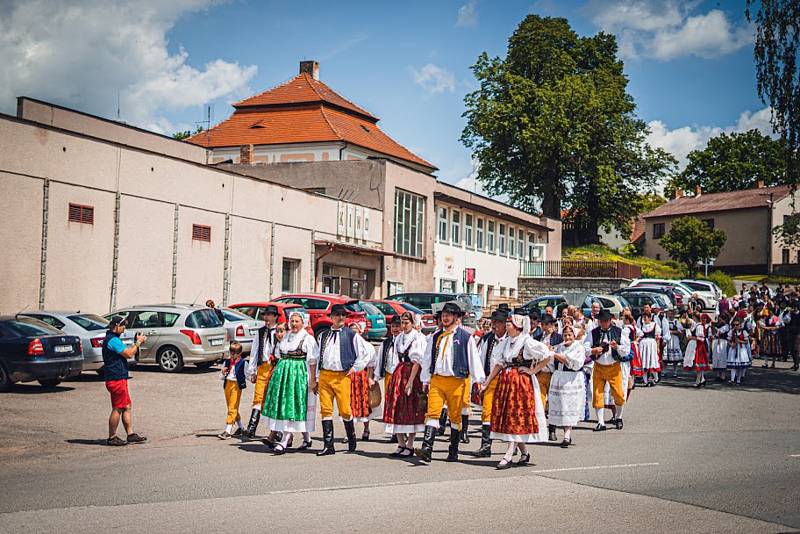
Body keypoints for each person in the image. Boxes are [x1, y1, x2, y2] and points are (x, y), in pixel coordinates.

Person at [416, 302, 485, 463]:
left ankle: (453, 450)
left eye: (448, 315)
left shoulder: (465, 337)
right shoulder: (435, 336)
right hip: (438, 380)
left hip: (457, 381)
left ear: (456, 317)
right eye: (443, 315)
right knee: (432, 413)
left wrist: (478, 380)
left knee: (455, 417)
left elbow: (473, 358)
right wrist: (425, 379)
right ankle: (427, 448)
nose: (445, 317)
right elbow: (427, 358)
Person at [484, 310, 551, 469]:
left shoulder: (526, 342)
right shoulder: (507, 342)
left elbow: (547, 355)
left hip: (521, 383)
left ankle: (508, 455)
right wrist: (487, 382)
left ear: (518, 326)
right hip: (507, 382)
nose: (506, 326)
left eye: (509, 323)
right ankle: (524, 453)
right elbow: (499, 364)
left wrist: (533, 371)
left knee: (516, 416)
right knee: (509, 418)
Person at [315, 304, 373, 456]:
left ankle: (351, 438)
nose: (340, 318)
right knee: (325, 409)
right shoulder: (323, 335)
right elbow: (316, 356)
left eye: (343, 315)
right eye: (337, 315)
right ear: (331, 317)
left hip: (342, 376)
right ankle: (329, 445)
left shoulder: (351, 335)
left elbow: (366, 353)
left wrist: (355, 368)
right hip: (325, 375)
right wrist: (315, 377)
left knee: (345, 410)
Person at [263, 312, 317, 454]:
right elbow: (278, 354)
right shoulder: (286, 337)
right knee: (284, 404)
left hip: (297, 375)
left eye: (297, 321)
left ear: (303, 323)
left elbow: (312, 361)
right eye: (292, 321)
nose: (294, 324)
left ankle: (284, 441)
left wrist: (312, 380)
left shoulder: (308, 339)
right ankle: (306, 438)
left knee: (292, 405)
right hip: (283, 374)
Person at [383, 312, 426, 457]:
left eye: (406, 323)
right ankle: (400, 444)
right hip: (399, 372)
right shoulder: (399, 338)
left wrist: (410, 382)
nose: (403, 325)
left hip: (411, 373)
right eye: (402, 322)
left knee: (410, 408)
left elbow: (417, 362)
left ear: (413, 323)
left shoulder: (417, 338)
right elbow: (396, 357)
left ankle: (410, 445)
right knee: (396, 406)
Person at [102, 316, 147, 446]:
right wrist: (138, 343)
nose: (124, 328)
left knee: (126, 406)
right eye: (123, 325)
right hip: (115, 378)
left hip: (120, 377)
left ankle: (130, 434)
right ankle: (112, 437)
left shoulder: (114, 339)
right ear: (116, 326)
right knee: (118, 408)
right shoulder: (113, 340)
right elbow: (128, 354)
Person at [584, 309, 631, 431]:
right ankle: (601, 422)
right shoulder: (593, 332)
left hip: (614, 366)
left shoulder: (619, 332)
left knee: (619, 394)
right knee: (598, 394)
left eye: (605, 321)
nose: (603, 323)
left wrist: (617, 347)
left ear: (610, 320)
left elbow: (626, 350)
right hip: (599, 366)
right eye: (601, 321)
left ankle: (619, 417)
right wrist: (593, 351)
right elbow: (584, 348)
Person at [475, 308, 508, 457]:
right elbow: (481, 359)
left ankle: (512, 446)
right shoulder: (488, 338)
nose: (494, 325)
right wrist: (482, 381)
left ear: (505, 324)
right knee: (486, 411)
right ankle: (486, 446)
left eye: (498, 322)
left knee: (507, 413)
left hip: (507, 381)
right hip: (490, 380)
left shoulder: (510, 339)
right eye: (493, 322)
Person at [244, 306, 280, 440]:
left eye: (269, 315)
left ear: (275, 317)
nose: (266, 318)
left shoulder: (280, 331)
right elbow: (254, 351)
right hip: (263, 367)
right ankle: (251, 428)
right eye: (265, 315)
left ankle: (276, 432)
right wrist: (252, 370)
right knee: (258, 397)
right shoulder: (260, 332)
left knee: (273, 399)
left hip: (275, 367)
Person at [548, 325, 586, 447]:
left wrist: (555, 354)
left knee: (568, 407)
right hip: (560, 378)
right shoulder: (559, 346)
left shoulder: (578, 347)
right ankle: (565, 434)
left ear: (574, 336)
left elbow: (573, 363)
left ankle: (567, 435)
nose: (567, 337)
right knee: (562, 408)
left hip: (571, 379)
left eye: (570, 335)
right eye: (565, 335)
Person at [346, 322, 377, 441]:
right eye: (351, 330)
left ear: (360, 331)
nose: (353, 333)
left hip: (361, 376)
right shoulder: (346, 345)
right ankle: (350, 432)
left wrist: (369, 378)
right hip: (349, 376)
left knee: (364, 404)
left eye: (355, 330)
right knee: (348, 404)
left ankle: (366, 429)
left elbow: (370, 365)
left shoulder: (367, 345)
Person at [375, 316, 402, 441]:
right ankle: (394, 432)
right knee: (390, 404)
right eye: (393, 326)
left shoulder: (405, 341)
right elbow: (380, 359)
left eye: (398, 326)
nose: (395, 329)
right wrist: (376, 377)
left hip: (402, 376)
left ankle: (403, 430)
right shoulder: (386, 343)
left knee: (401, 403)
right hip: (389, 375)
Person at [538, 316, 562, 441]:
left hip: (553, 372)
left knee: (553, 402)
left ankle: (552, 429)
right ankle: (541, 429)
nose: (545, 327)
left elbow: (562, 354)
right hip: (541, 372)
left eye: (547, 324)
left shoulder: (559, 338)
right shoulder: (538, 337)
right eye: (543, 324)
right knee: (540, 402)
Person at [218, 341, 247, 439]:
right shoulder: (227, 361)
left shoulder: (243, 363)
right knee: (231, 406)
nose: (232, 355)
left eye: (234, 353)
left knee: (232, 407)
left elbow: (247, 373)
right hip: (227, 384)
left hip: (236, 385)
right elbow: (221, 376)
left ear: (239, 353)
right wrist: (223, 372)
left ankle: (228, 430)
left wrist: (252, 377)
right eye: (231, 352)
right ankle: (241, 428)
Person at [684, 312, 712, 387]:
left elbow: (701, 338)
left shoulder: (699, 326)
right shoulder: (697, 325)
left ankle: (698, 381)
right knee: (699, 363)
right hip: (696, 345)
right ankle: (702, 379)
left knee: (698, 363)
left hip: (698, 346)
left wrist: (691, 338)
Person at [638, 311, 662, 387]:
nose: (644, 319)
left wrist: (658, 347)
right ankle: (645, 381)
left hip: (652, 345)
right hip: (643, 346)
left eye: (646, 317)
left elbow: (657, 338)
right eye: (643, 317)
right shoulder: (642, 326)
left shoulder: (654, 325)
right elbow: (639, 336)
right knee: (644, 361)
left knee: (652, 361)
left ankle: (655, 378)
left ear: (650, 318)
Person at [727, 317, 752, 385]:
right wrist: (731, 344)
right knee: (733, 365)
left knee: (740, 366)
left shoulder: (743, 332)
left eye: (737, 325)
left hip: (741, 349)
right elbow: (728, 341)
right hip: (733, 349)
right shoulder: (731, 331)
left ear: (740, 325)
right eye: (734, 325)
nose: (735, 326)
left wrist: (740, 341)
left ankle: (738, 380)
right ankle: (732, 379)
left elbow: (746, 341)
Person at [662, 308, 683, 377]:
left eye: (671, 314)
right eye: (669, 314)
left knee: (675, 358)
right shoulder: (665, 321)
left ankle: (675, 371)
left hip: (674, 339)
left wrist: (672, 332)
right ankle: (664, 371)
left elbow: (680, 332)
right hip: (667, 340)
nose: (670, 315)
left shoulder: (676, 322)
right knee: (665, 357)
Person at [711, 313, 731, 382]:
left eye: (721, 319)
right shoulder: (718, 325)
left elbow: (720, 332)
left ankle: (723, 375)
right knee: (716, 357)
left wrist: (714, 328)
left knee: (722, 357)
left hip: (722, 342)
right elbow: (715, 333)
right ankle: (717, 375)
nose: (720, 320)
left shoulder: (726, 326)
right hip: (716, 342)